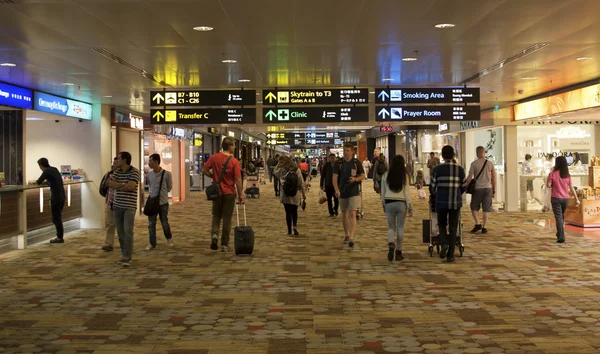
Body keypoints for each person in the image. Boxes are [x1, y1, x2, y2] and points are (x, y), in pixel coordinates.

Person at [203, 137, 243, 252]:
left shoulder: (214, 158)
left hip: (217, 192)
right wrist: (240, 194)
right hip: (229, 192)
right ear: (230, 147)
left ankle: (214, 235)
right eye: (234, 145)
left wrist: (213, 177)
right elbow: (237, 179)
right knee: (227, 218)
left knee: (216, 215)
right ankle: (224, 244)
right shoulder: (234, 161)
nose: (235, 147)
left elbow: (204, 170)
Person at [430, 145, 467, 263]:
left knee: (441, 224)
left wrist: (436, 195)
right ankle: (451, 254)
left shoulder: (437, 169)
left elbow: (432, 187)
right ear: (453, 155)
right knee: (453, 226)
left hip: (441, 201)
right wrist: (457, 194)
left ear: (442, 155)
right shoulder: (460, 170)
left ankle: (443, 243)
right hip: (455, 203)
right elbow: (464, 186)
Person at [108, 152, 140, 267]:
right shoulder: (117, 172)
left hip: (129, 206)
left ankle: (127, 257)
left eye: (119, 158)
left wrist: (119, 185)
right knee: (120, 232)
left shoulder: (134, 171)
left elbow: (132, 186)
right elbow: (110, 184)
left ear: (125, 160)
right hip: (117, 205)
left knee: (128, 231)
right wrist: (124, 184)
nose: (116, 160)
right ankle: (124, 255)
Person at [380, 155, 412, 261]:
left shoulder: (386, 175)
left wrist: (383, 203)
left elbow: (382, 192)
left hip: (389, 201)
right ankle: (398, 251)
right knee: (400, 227)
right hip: (401, 202)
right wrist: (409, 206)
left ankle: (391, 245)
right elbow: (407, 192)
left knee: (391, 227)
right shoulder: (405, 176)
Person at [333, 143, 365, 248]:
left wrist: (355, 179)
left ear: (352, 152)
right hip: (342, 191)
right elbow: (334, 177)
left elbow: (362, 176)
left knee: (352, 213)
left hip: (354, 191)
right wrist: (337, 189)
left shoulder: (356, 163)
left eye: (348, 150)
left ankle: (351, 237)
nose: (346, 152)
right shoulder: (339, 163)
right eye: (345, 150)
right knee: (344, 213)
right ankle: (346, 234)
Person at [547, 156, 580, 243]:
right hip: (565, 198)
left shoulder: (552, 174)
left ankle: (561, 237)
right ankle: (559, 234)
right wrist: (577, 199)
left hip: (556, 198)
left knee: (558, 218)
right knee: (561, 217)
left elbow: (549, 185)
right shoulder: (567, 175)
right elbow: (572, 187)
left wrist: (552, 183)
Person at [145, 153, 173, 250]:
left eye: (151, 162)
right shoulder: (149, 175)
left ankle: (169, 238)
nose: (149, 164)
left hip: (163, 202)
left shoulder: (167, 174)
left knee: (164, 221)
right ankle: (152, 243)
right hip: (152, 202)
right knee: (151, 224)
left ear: (157, 162)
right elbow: (150, 187)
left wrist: (162, 193)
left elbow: (169, 187)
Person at [466, 146, 496, 234]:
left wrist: (465, 186)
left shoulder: (474, 163)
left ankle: (477, 223)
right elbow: (494, 177)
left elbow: (470, 177)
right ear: (484, 152)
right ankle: (484, 227)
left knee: (474, 206)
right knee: (486, 208)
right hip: (488, 188)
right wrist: (493, 188)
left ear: (477, 153)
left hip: (478, 188)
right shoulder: (490, 163)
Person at [274, 156, 306, 236]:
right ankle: (294, 226)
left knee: (288, 212)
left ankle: (289, 230)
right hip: (295, 194)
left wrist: (278, 164)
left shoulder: (281, 170)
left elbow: (275, 172)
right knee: (294, 211)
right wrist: (303, 194)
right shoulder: (296, 169)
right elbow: (301, 183)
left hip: (285, 194)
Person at [36, 158, 65, 244]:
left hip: (55, 197)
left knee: (56, 218)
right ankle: (60, 236)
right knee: (58, 217)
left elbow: (38, 181)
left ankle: (60, 237)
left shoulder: (46, 171)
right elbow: (53, 181)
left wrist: (35, 182)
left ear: (41, 165)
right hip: (62, 196)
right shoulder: (54, 169)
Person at [100, 157, 118, 251]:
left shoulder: (124, 174)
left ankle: (125, 243)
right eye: (114, 162)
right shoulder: (109, 174)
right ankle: (108, 243)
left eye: (116, 162)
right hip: (110, 202)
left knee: (122, 225)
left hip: (122, 202)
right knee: (110, 223)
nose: (114, 164)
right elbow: (104, 186)